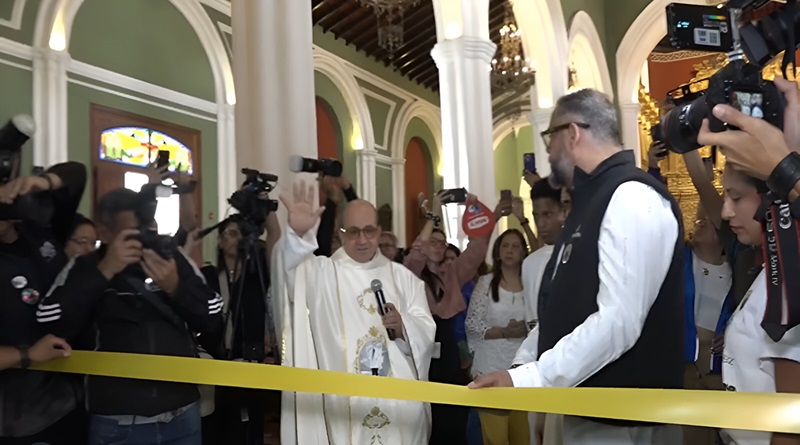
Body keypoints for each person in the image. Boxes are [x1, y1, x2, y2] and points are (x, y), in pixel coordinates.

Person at [470, 89, 685, 445]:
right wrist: (520, 371)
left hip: (625, 422)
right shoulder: (589, 204)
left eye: (549, 138)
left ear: (572, 134)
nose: (548, 152)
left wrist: (532, 378)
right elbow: (565, 311)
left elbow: (619, 322)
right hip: (584, 409)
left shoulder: (632, 197)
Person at [38, 188, 223, 445]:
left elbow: (213, 316)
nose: (143, 240)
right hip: (119, 423)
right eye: (133, 233)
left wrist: (175, 287)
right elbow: (49, 321)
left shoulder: (172, 259)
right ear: (105, 232)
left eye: (147, 229)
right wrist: (105, 271)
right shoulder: (86, 266)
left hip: (182, 415)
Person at [274, 180, 436, 445]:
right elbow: (290, 278)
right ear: (341, 233)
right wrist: (297, 237)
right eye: (353, 232)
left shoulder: (402, 279)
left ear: (380, 232)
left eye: (369, 231)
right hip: (344, 407)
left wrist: (403, 327)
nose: (362, 240)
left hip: (399, 406)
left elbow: (426, 331)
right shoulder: (323, 273)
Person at [696, 89, 800, 445]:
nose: (726, 211)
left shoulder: (790, 281)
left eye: (736, 197)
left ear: (771, 196)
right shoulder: (771, 272)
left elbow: (791, 428)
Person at [0, 161, 89, 444]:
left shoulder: (40, 229)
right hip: (21, 416)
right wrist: (26, 355)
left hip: (70, 399)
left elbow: (77, 173)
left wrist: (43, 182)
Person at [466, 229, 529, 445]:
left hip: (521, 368)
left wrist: (526, 328)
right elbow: (472, 324)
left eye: (515, 246)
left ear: (523, 252)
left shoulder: (531, 282)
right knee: (495, 438)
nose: (510, 251)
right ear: (498, 252)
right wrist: (503, 332)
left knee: (522, 436)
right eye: (505, 246)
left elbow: (541, 320)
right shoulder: (485, 283)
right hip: (490, 365)